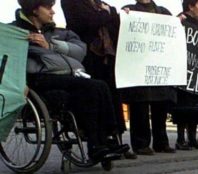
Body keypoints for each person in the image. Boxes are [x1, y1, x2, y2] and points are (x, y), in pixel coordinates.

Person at [12, 0, 128, 163]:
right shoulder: (15, 32)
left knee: (99, 87)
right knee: (93, 86)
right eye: (48, 8)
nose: (53, 12)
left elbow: (81, 50)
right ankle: (97, 145)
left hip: (67, 76)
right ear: (35, 10)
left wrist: (51, 46)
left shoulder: (57, 31)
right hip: (39, 79)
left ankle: (106, 139)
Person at [60, 0, 136, 159]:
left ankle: (115, 138)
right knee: (94, 98)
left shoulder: (102, 5)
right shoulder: (72, 3)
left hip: (107, 58)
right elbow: (88, 22)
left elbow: (115, 26)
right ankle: (97, 141)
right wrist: (108, 13)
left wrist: (121, 15)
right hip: (89, 57)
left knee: (112, 99)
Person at [120, 0, 176, 155]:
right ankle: (141, 144)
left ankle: (161, 142)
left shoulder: (163, 12)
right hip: (138, 67)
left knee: (161, 106)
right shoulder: (129, 10)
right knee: (140, 106)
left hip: (159, 66)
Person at [172, 0, 198, 150]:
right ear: (190, 6)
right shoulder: (180, 20)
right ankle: (181, 139)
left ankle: (193, 138)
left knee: (195, 106)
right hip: (182, 69)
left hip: (197, 70)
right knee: (182, 106)